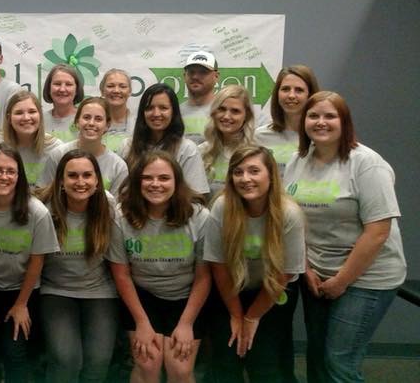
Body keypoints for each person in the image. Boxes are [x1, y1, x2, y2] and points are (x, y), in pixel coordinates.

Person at [284, 91, 406, 383]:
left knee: (339, 362)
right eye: (314, 116)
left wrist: (342, 280)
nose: (320, 122)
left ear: (344, 121)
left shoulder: (366, 163)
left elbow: (378, 231)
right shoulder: (297, 161)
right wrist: (307, 268)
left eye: (330, 116)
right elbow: (293, 220)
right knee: (316, 357)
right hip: (318, 275)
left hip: (365, 278)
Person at [203, 145, 305, 382]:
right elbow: (218, 264)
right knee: (226, 359)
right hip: (231, 290)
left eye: (254, 171)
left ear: (271, 175)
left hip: (272, 291)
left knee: (264, 362)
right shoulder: (222, 206)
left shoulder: (289, 213)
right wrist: (237, 315)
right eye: (238, 172)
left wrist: (252, 317)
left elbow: (285, 273)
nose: (245, 179)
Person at [109, 151, 211, 383]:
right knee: (148, 364)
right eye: (147, 178)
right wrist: (142, 323)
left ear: (177, 182)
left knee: (180, 369)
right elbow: (121, 274)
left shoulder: (199, 216)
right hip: (142, 298)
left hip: (186, 299)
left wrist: (186, 324)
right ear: (137, 182)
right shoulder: (120, 216)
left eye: (164, 178)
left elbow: (204, 277)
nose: (155, 184)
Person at [0, 145, 59, 383]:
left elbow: (38, 260)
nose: (4, 177)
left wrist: (21, 304)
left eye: (10, 171)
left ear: (19, 176)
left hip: (23, 291)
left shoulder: (37, 212)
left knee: (14, 352)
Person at [38, 150, 119, 383]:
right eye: (72, 176)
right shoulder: (45, 207)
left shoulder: (108, 205)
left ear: (96, 180)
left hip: (99, 290)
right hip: (56, 289)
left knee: (98, 361)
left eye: (87, 175)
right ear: (61, 181)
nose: (80, 182)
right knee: (66, 360)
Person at [121, 83, 211, 198]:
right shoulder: (127, 146)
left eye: (163, 108)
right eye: (149, 108)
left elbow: (196, 196)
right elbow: (122, 193)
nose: (156, 114)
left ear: (174, 112)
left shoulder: (187, 149)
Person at [41, 97, 129, 196]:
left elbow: (116, 207)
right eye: (86, 117)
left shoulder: (118, 166)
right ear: (77, 122)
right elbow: (45, 195)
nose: (91, 123)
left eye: (98, 119)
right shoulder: (58, 155)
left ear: (107, 125)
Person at [254, 65, 320, 174]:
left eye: (299, 90)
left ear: (310, 95)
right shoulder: (259, 137)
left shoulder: (321, 138)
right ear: (277, 94)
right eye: (285, 89)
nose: (291, 95)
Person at [198, 85, 256, 202]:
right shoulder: (201, 151)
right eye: (222, 109)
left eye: (235, 111)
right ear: (214, 112)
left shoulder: (255, 153)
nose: (226, 116)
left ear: (246, 116)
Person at [0, 90, 63, 187]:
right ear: (9, 118)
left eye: (32, 112)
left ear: (40, 115)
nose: (26, 118)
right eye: (19, 113)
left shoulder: (56, 148)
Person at [178, 51, 220, 144]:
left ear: (216, 76)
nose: (195, 76)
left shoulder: (225, 111)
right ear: (185, 76)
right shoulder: (175, 112)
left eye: (203, 72)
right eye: (191, 72)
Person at [41, 64, 83, 142]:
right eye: (57, 84)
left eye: (68, 84)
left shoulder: (86, 120)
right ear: (48, 88)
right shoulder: (40, 121)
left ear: (77, 90)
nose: (62, 89)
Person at [100, 68, 134, 155]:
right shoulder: (93, 123)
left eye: (122, 86)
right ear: (102, 91)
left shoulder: (139, 123)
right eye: (110, 86)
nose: (116, 91)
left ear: (130, 91)